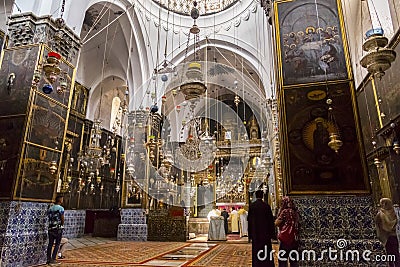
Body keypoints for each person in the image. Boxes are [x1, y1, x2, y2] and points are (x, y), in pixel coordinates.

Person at [248, 190, 275, 267]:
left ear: (256, 196)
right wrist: (272, 234)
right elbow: (270, 221)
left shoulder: (252, 206)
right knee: (266, 250)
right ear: (262, 196)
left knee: (256, 251)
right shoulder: (266, 206)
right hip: (265, 233)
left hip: (255, 233)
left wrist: (250, 235)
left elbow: (249, 221)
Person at [275, 197, 300, 267]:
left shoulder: (285, 211)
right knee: (294, 260)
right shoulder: (295, 212)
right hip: (294, 239)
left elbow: (277, 223)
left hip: (285, 239)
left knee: (282, 259)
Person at [375, 198, 400, 267]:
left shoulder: (380, 214)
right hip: (394, 236)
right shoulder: (395, 213)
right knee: (396, 253)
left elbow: (377, 225)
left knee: (389, 254)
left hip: (386, 237)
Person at [46, 195, 65, 265]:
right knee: (57, 244)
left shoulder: (50, 208)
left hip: (50, 228)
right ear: (60, 200)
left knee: (50, 244)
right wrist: (62, 225)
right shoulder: (61, 208)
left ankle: (48, 259)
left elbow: (49, 217)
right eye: (62, 199)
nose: (62, 200)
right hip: (57, 228)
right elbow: (62, 218)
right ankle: (53, 259)